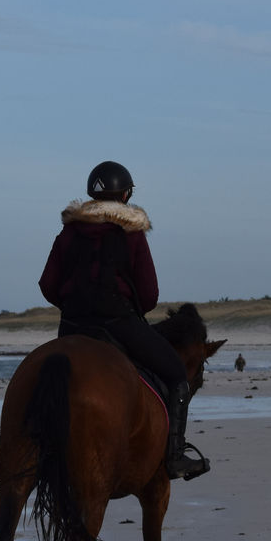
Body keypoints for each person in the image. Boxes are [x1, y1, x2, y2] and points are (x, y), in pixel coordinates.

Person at [38, 161, 210, 480]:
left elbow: (47, 284)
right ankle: (174, 456)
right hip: (117, 322)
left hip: (72, 326)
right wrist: (129, 309)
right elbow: (148, 293)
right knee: (176, 375)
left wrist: (73, 305)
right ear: (126, 194)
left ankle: (38, 449)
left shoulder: (68, 233)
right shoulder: (131, 232)